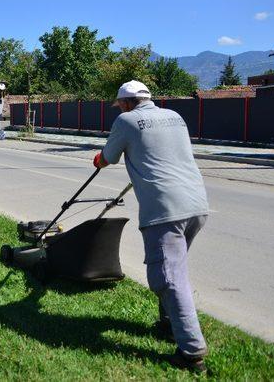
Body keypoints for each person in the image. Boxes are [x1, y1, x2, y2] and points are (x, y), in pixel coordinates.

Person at [93, 80, 209, 373]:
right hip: (196, 204)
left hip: (164, 209)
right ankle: (169, 325)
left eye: (119, 104)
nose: (118, 109)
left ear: (128, 103)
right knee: (176, 269)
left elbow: (107, 158)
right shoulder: (175, 117)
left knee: (166, 277)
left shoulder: (127, 121)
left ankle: (191, 353)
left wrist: (97, 159)